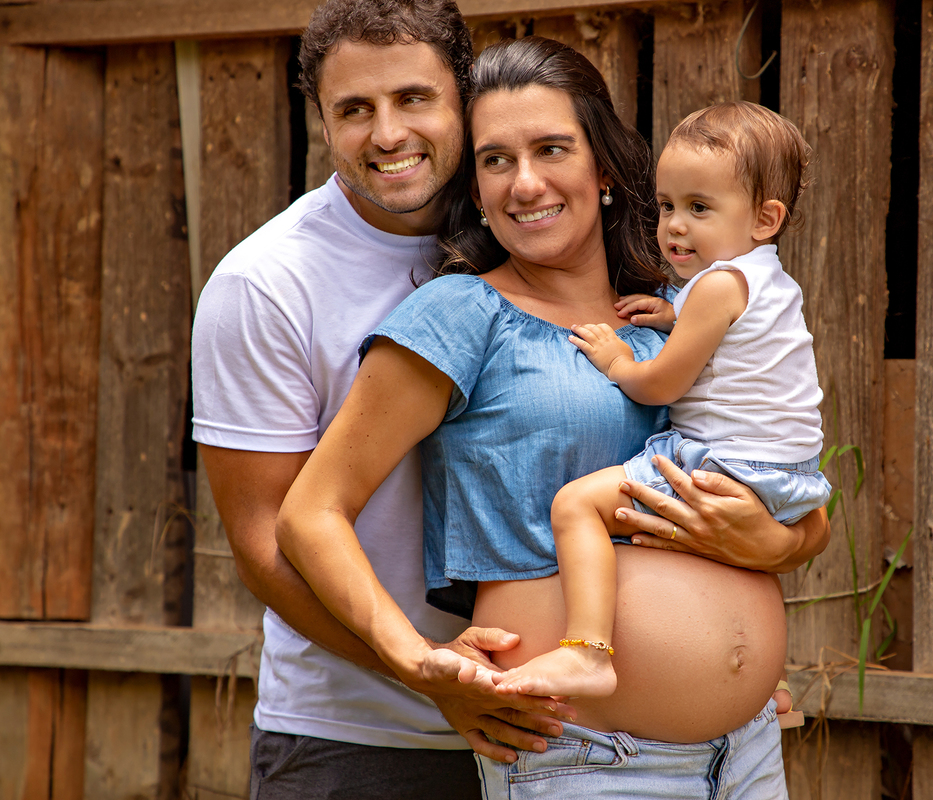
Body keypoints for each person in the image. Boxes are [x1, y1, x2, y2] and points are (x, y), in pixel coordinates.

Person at [275, 37, 829, 799]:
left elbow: (774, 468)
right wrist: (413, 659)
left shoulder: (665, 315)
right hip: (581, 755)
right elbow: (310, 514)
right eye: (496, 160)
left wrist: (783, 541)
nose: (524, 182)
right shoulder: (463, 313)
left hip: (748, 750)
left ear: (603, 168)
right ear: (474, 186)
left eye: (551, 149)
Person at [190, 1, 571, 796]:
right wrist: (422, 673)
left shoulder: (538, 225)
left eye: (413, 99)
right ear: (324, 123)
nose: (388, 133)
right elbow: (264, 544)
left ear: (463, 98)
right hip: (357, 739)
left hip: (565, 731)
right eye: (354, 110)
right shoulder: (266, 284)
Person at [494, 101, 831, 699]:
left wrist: (619, 362)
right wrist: (677, 313)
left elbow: (661, 385)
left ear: (765, 218)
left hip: (725, 462)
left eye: (699, 208)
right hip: (791, 477)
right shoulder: (768, 281)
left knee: (575, 506)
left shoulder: (718, 287)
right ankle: (761, 678)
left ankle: (588, 653)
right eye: (669, 205)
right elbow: (734, 339)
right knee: (711, 542)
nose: (675, 225)